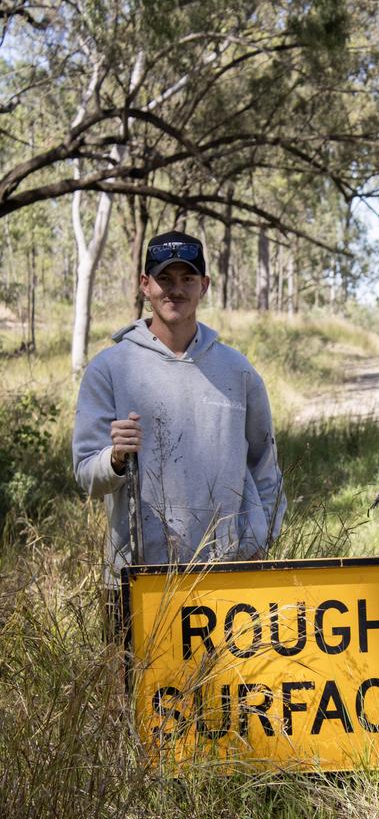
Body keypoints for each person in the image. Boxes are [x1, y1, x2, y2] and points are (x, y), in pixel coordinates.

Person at [72, 230, 286, 590]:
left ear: (204, 285)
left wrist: (261, 540)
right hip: (135, 579)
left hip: (229, 575)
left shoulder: (238, 371)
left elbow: (265, 465)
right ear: (145, 284)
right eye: (164, 278)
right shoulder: (109, 368)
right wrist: (116, 459)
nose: (176, 290)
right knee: (128, 651)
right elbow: (86, 475)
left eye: (187, 278)